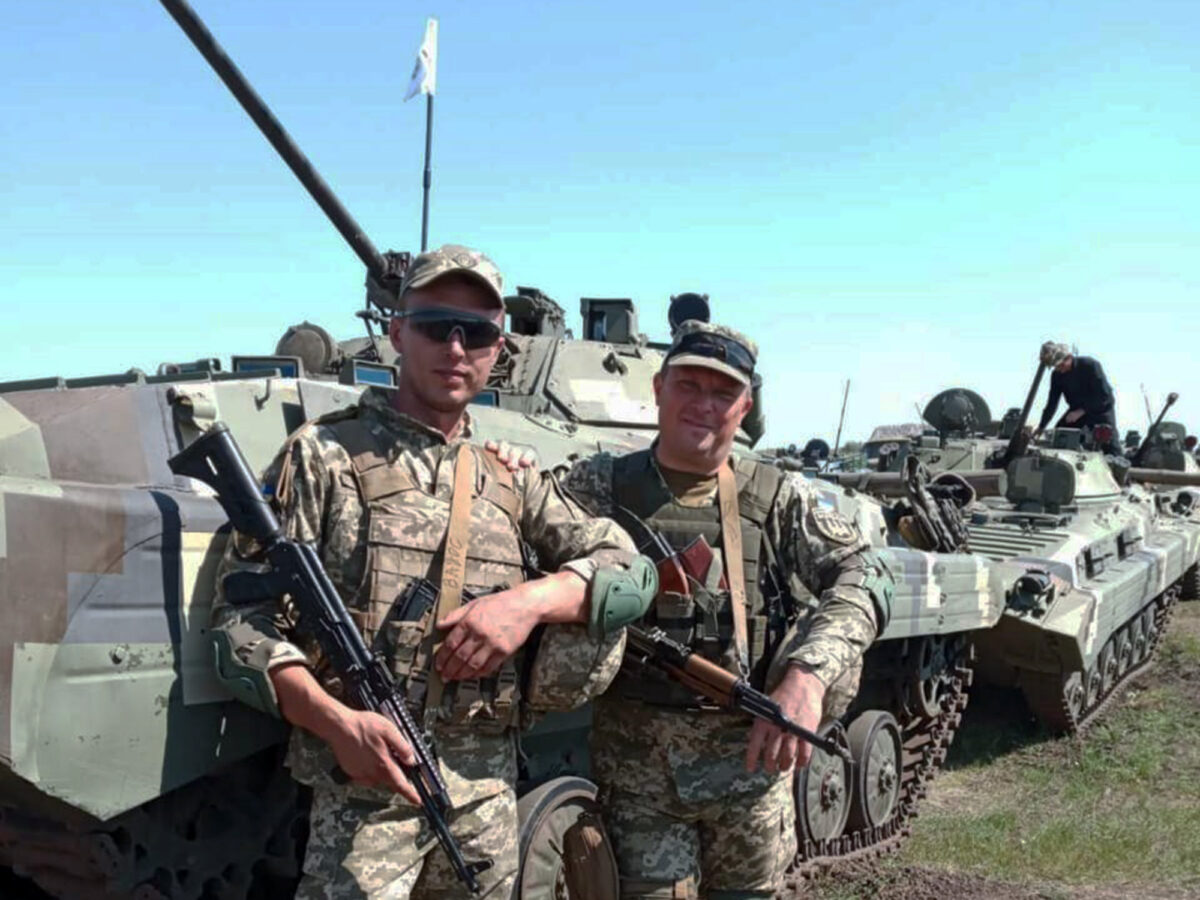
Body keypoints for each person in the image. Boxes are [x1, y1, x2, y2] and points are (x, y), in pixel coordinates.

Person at [209, 244, 652, 899]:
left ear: (499, 349)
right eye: (435, 325)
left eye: (476, 332)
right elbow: (240, 622)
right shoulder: (323, 457)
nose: (455, 347)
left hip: (486, 793)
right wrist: (336, 723)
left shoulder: (510, 475)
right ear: (396, 333)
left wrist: (528, 604)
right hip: (365, 793)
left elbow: (631, 572)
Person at [539, 322, 895, 899]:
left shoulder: (776, 497)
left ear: (744, 407)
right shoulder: (598, 485)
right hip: (637, 774)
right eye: (689, 385)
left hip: (751, 768)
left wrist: (809, 674)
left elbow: (868, 572)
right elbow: (523, 519)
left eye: (723, 392)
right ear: (658, 388)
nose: (704, 404)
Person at [1034, 341, 1120, 453]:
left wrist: (1081, 411)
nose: (1060, 369)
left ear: (1069, 358)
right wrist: (1041, 427)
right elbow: (1052, 403)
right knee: (1060, 436)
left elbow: (1105, 396)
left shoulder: (1090, 365)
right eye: (1056, 367)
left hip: (1100, 410)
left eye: (1061, 365)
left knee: (1110, 446)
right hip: (1075, 412)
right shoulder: (1057, 375)